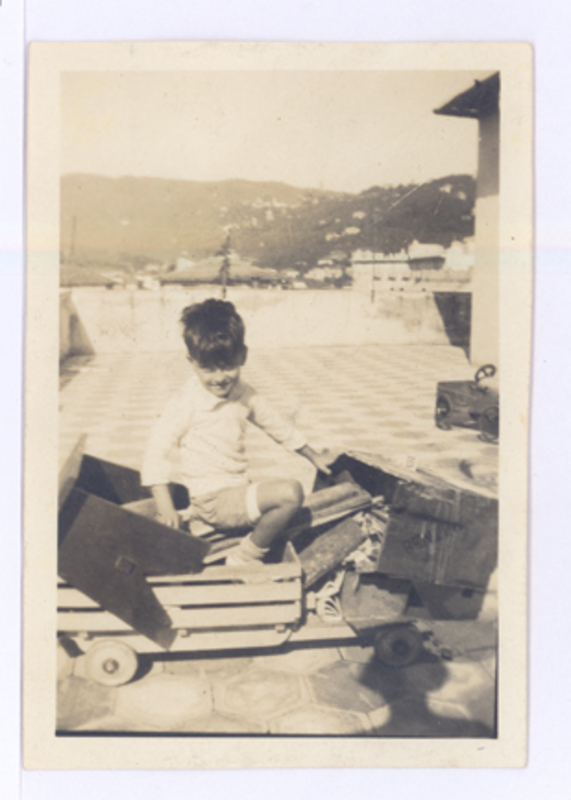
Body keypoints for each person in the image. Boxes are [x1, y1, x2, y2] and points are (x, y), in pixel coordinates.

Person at [141, 298, 333, 566]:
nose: (219, 377)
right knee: (290, 493)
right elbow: (155, 452)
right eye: (208, 369)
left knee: (277, 492)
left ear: (243, 356)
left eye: (228, 366)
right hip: (211, 501)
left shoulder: (244, 393)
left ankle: (245, 541)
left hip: (234, 491)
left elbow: (276, 425)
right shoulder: (185, 401)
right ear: (191, 362)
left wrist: (313, 456)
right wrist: (165, 507)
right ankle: (245, 557)